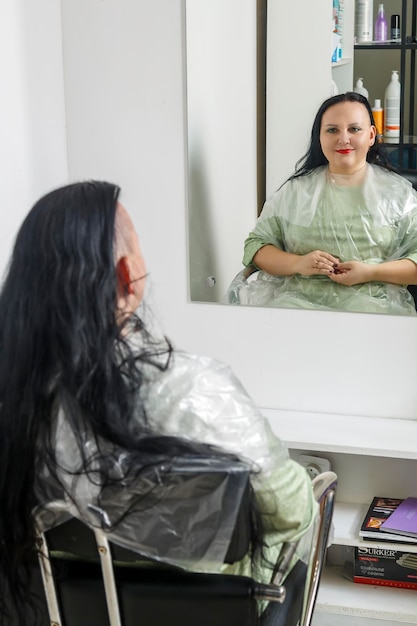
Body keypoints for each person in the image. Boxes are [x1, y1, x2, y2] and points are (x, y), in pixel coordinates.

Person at [0, 181, 317, 625]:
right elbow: (292, 512)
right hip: (199, 613)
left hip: (54, 609)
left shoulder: (16, 399)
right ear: (128, 277)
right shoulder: (197, 392)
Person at [236, 92, 417, 315]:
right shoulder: (296, 192)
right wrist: (297, 264)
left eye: (354, 129)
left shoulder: (397, 195)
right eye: (332, 130)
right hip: (297, 305)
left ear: (371, 135)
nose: (343, 139)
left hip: (372, 307)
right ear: (319, 137)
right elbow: (256, 247)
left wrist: (371, 272)